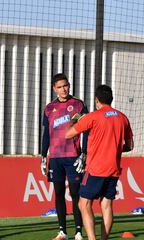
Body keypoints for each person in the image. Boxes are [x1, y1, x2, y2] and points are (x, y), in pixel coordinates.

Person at [65, 85, 133, 240]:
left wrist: (73, 120)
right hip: (114, 169)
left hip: (96, 169)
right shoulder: (123, 118)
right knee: (107, 205)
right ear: (111, 99)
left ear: (97, 100)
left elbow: (68, 135)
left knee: (83, 204)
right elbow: (129, 146)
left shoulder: (93, 117)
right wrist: (113, 149)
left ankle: (91, 239)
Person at [41, 73, 88, 240]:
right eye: (60, 87)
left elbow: (86, 130)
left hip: (73, 156)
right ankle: (62, 231)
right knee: (59, 192)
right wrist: (42, 156)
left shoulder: (78, 104)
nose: (63, 89)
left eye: (65, 85)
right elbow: (46, 134)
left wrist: (84, 153)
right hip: (55, 157)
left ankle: (78, 232)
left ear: (69, 85)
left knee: (76, 193)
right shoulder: (49, 108)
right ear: (54, 89)